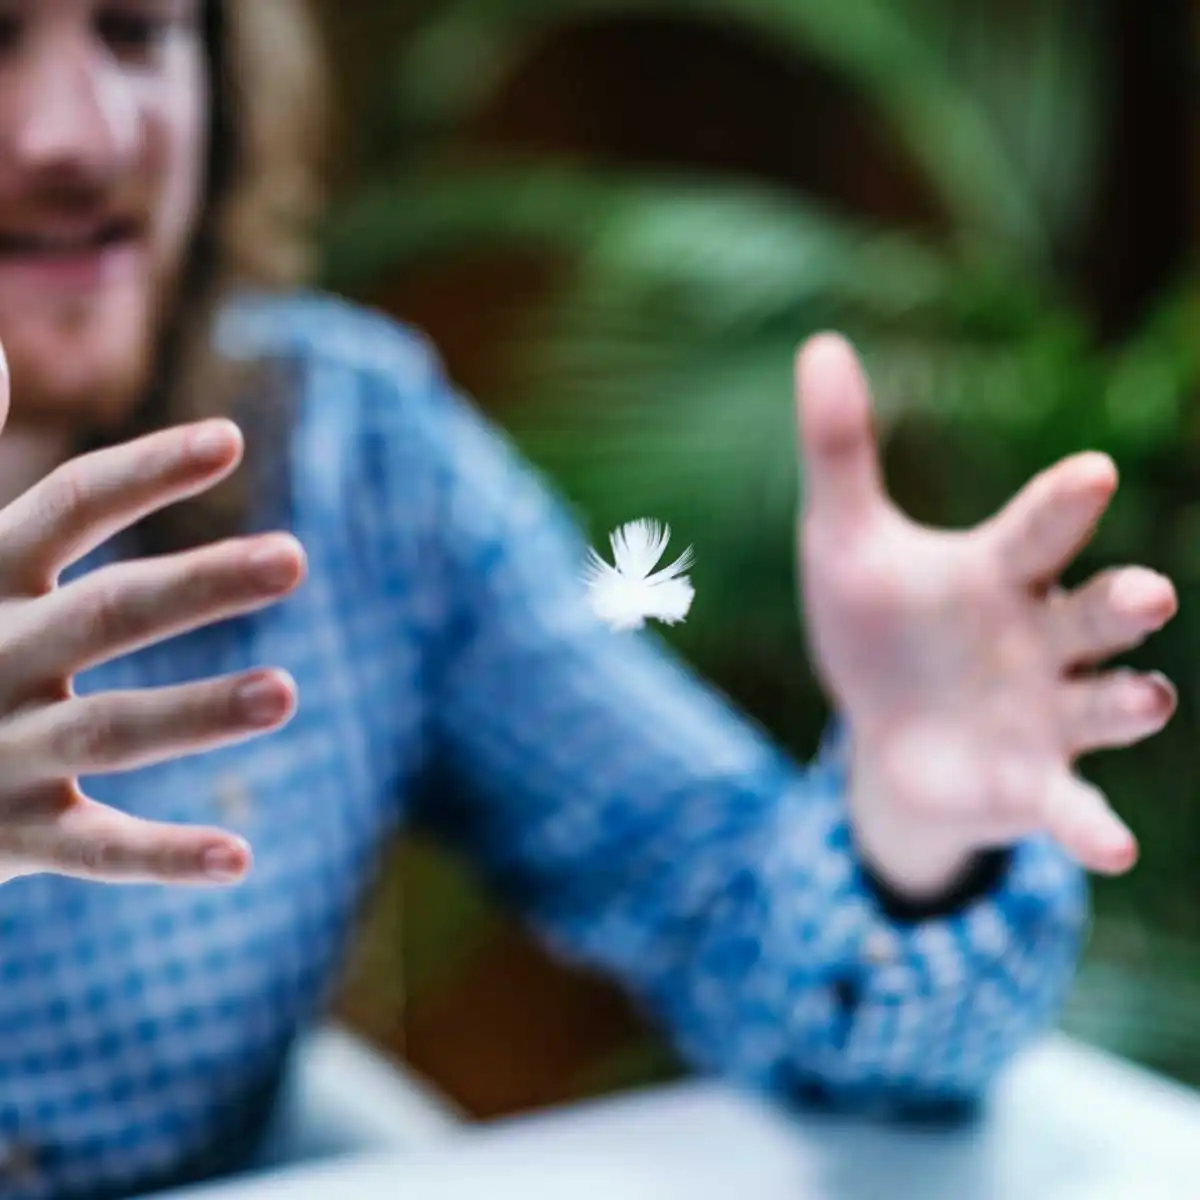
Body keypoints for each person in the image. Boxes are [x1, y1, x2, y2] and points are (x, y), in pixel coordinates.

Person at [0, 1, 1178, 1196]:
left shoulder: (358, 458)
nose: (74, 134)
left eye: (137, 31)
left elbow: (749, 925)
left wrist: (916, 835)